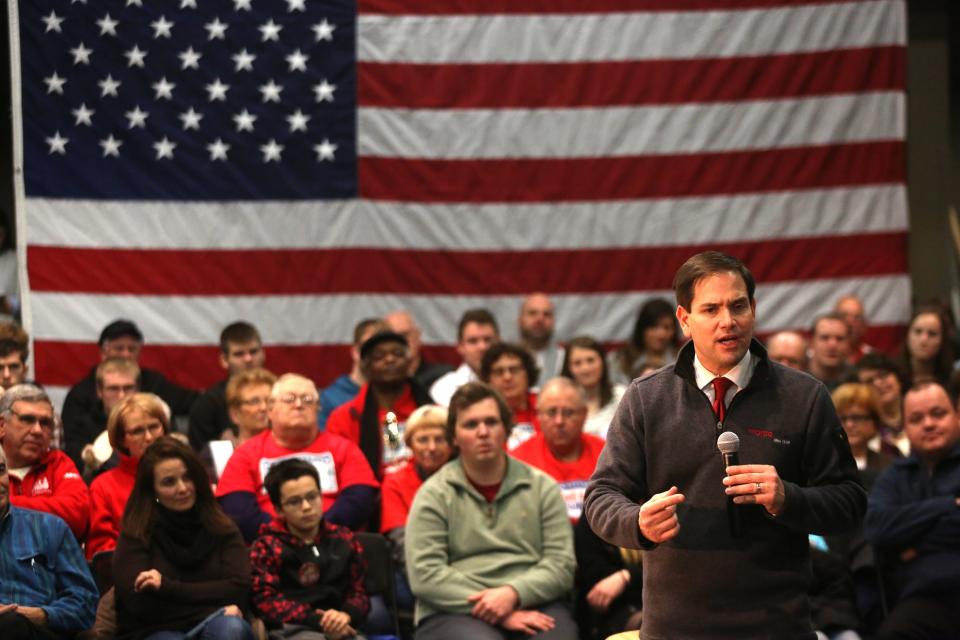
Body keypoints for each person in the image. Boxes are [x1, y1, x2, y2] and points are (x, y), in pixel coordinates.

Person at [584, 250, 866, 639]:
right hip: (675, 628)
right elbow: (601, 496)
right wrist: (637, 522)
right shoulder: (646, 399)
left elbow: (850, 502)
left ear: (753, 308)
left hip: (777, 625)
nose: (727, 322)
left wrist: (789, 498)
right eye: (711, 309)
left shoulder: (805, 397)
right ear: (685, 320)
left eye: (737, 306)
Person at [406, 382, 577, 639]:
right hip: (451, 608)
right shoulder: (433, 494)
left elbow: (561, 565)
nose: (483, 432)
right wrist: (496, 608)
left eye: (491, 422)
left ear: (507, 429)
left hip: (532, 600)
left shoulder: (542, 487)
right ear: (453, 436)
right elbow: (425, 574)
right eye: (470, 425)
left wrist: (512, 594)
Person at [113, 436, 253, 640]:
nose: (182, 488)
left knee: (232, 630)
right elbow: (139, 605)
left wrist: (166, 587)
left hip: (216, 621)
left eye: (187, 477)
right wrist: (210, 605)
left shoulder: (220, 525)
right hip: (154, 630)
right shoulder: (137, 531)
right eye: (169, 482)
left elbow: (239, 587)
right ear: (153, 491)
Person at [216, 374, 379, 542]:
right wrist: (284, 538)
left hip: (335, 545)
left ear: (318, 409)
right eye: (289, 399)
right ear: (270, 409)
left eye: (308, 400)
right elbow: (237, 510)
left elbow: (359, 501)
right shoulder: (246, 454)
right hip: (269, 548)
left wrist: (318, 532)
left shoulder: (344, 449)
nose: (299, 404)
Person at [864, 382, 960, 640]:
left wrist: (914, 544)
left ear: (957, 414)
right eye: (916, 419)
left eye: (938, 414)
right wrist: (949, 505)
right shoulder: (895, 476)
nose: (928, 424)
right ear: (905, 427)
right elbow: (876, 528)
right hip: (926, 597)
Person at [250, 458, 370, 639]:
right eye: (294, 501)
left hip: (343, 626)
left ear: (321, 496)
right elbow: (265, 602)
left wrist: (346, 615)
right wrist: (320, 620)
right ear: (278, 509)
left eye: (312, 496)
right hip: (292, 629)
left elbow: (359, 593)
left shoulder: (344, 538)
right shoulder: (267, 546)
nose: (306, 507)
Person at [62, 319, 198, 469]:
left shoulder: (154, 383)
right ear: (99, 391)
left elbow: (196, 403)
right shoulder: (80, 399)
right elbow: (72, 450)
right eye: (119, 348)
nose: (122, 396)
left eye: (131, 349)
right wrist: (88, 456)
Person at [0, 445, 99, 639]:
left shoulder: (49, 527)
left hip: (39, 632)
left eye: (0, 470)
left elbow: (85, 602)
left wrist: (40, 614)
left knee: (12, 624)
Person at [327, 331, 433, 478]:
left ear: (410, 362)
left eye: (397, 353)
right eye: (379, 356)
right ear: (365, 366)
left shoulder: (433, 413)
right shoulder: (343, 419)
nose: (390, 359)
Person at [380, 405, 452, 610]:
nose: (431, 447)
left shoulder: (466, 475)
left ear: (452, 443)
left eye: (440, 439)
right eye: (423, 440)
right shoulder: (395, 482)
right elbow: (401, 542)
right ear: (410, 443)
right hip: (414, 566)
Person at [87, 393, 171, 560]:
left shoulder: (188, 473)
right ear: (121, 439)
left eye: (154, 427)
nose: (148, 437)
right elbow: (102, 553)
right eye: (137, 431)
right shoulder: (103, 487)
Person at [0, 384, 89, 540]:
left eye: (45, 423)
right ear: (2, 425)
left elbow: (76, 517)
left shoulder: (59, 463)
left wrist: (9, 504)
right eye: (27, 420)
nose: (37, 430)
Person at [511, 377, 605, 521]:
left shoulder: (606, 455)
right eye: (551, 412)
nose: (559, 421)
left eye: (568, 412)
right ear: (539, 416)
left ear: (584, 414)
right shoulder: (519, 461)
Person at [188, 321, 266, 452]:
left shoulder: (280, 394)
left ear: (263, 354)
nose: (248, 359)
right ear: (224, 360)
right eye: (239, 354)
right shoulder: (207, 405)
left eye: (253, 352)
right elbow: (200, 462)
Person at [200, 368, 278, 483]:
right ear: (234, 414)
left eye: (270, 401)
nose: (263, 407)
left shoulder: (291, 447)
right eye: (254, 401)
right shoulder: (217, 455)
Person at [318, 319, 389, 430]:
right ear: (355, 352)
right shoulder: (329, 399)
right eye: (369, 348)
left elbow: (395, 444)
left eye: (383, 351)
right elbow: (325, 445)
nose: (377, 355)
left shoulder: (399, 396)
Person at [78, 357, 141, 479]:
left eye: (128, 388)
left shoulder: (154, 421)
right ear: (99, 391)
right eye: (113, 388)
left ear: (138, 390)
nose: (121, 395)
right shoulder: (83, 427)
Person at [830, 384, 896, 491]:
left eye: (857, 418)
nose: (849, 425)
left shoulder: (889, 465)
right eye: (842, 418)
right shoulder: (824, 465)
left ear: (874, 422)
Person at [430, 309, 500, 407]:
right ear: (460, 347)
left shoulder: (515, 384)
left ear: (499, 342)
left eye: (488, 340)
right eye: (473, 341)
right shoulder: (444, 388)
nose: (482, 347)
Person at [560, 336, 626, 439]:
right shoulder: (560, 401)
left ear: (603, 362)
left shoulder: (621, 395)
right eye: (577, 363)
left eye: (591, 361)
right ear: (569, 369)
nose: (586, 369)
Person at [480, 342, 540, 451]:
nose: (507, 377)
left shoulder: (545, 406)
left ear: (528, 374)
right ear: (488, 380)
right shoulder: (481, 413)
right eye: (499, 372)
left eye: (514, 370)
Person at [608, 298, 678, 386]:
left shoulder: (683, 360)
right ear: (642, 328)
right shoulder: (620, 360)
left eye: (667, 327)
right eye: (654, 326)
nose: (661, 334)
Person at [385, 310, 453, 392]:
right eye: (392, 337)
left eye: (404, 335)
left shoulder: (444, 377)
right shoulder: (378, 385)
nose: (400, 342)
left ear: (417, 336)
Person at [856, 352, 909, 455]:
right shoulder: (863, 430)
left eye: (883, 375)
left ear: (899, 379)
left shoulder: (918, 414)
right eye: (869, 381)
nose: (878, 383)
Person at [899, 305, 955, 390]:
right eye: (918, 332)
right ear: (908, 335)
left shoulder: (954, 381)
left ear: (943, 340)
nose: (923, 340)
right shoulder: (894, 379)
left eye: (932, 334)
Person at [517, 293, 565, 380]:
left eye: (546, 314)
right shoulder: (505, 361)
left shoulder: (565, 359)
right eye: (532, 313)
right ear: (520, 320)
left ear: (554, 322)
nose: (539, 319)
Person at [809, 313, 853, 392]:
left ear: (848, 343)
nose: (832, 345)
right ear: (812, 342)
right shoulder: (798, 379)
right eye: (825, 338)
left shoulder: (858, 380)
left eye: (839, 339)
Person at [835, 295, 874, 365]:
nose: (850, 323)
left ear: (863, 325)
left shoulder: (872, 358)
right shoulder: (814, 357)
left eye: (857, 317)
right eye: (843, 316)